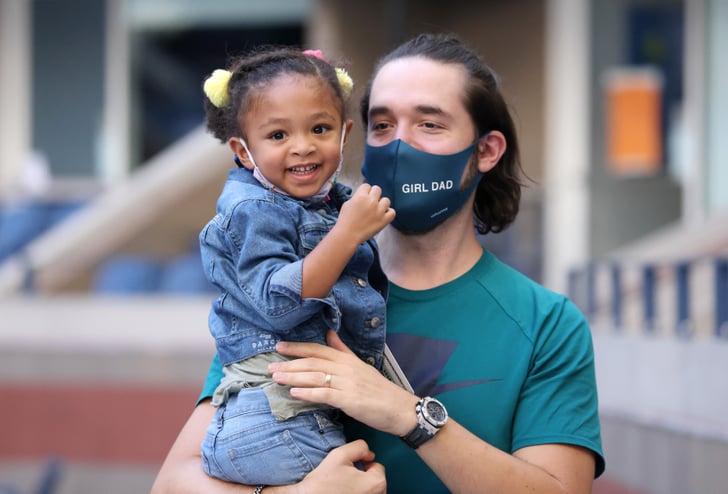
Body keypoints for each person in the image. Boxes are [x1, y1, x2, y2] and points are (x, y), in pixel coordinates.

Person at [152, 32, 604, 494]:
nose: (399, 146)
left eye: (429, 124)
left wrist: (404, 413)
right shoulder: (289, 292)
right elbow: (171, 485)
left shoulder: (547, 323)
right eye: (383, 126)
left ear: (485, 150)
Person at [196, 46, 395, 487]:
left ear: (344, 135)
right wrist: (347, 234)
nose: (302, 146)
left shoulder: (321, 202)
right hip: (275, 419)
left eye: (319, 128)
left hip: (289, 413)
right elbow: (278, 303)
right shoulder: (253, 209)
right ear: (244, 152)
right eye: (278, 135)